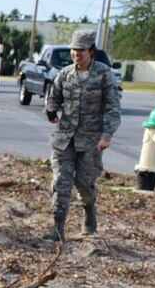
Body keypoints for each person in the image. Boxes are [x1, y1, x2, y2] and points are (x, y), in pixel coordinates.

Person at [42, 30, 121, 242]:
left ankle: (89, 209)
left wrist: (106, 136)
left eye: (81, 50)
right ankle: (58, 229)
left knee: (84, 186)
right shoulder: (65, 74)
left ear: (91, 51)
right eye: (74, 50)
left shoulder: (105, 75)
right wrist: (51, 110)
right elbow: (53, 97)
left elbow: (113, 109)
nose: (76, 54)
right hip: (64, 139)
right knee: (61, 183)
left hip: (90, 142)